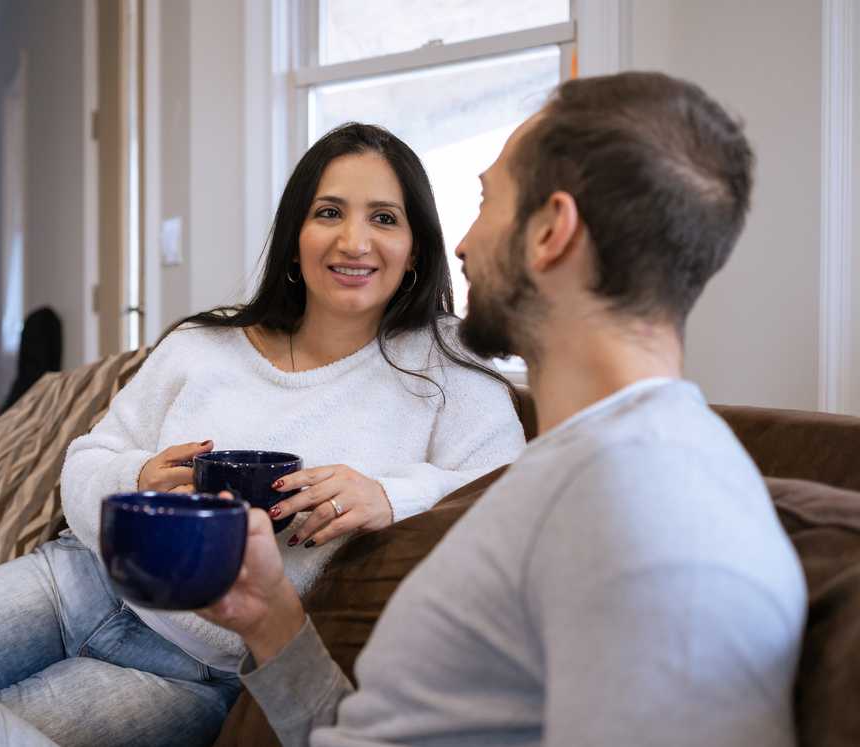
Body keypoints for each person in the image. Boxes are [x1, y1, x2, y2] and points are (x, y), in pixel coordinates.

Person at [0, 124, 525, 747]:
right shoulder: (202, 346)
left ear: (417, 244)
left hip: (191, 670)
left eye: (383, 218)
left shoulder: (450, 370)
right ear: (295, 233)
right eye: (328, 211)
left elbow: (506, 494)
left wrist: (390, 491)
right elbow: (86, 461)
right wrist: (139, 474)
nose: (353, 240)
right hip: (75, 581)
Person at [198, 71, 808, 746]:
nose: (459, 244)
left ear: (550, 232)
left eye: (487, 200)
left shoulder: (657, 517)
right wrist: (272, 619)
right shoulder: (577, 469)